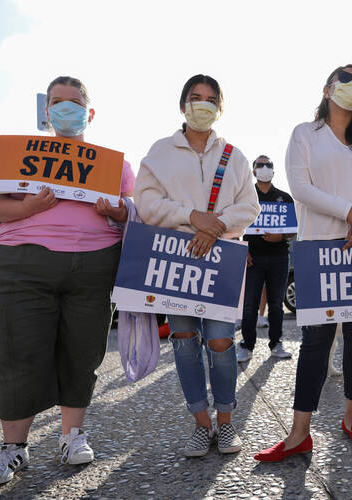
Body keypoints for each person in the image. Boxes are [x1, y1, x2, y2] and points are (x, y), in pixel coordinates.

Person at [0, 76, 133, 487]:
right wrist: (28, 207)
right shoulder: (17, 154)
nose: (67, 108)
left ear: (90, 112)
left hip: (94, 262)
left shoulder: (113, 163)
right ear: (46, 112)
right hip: (21, 260)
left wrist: (117, 212)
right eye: (57, 102)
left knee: (83, 351)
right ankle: (14, 447)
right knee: (16, 350)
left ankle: (72, 436)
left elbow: (135, 210)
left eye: (75, 102)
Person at [254, 64, 352, 462]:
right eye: (345, 79)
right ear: (327, 88)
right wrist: (350, 212)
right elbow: (300, 186)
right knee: (316, 340)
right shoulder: (306, 133)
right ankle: (300, 432)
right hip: (320, 247)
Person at [135, 74, 260, 457]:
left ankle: (226, 422)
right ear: (182, 104)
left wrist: (214, 225)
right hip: (175, 261)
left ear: (219, 107)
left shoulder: (235, 156)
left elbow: (249, 207)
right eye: (195, 97)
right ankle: (200, 424)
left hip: (219, 261)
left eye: (210, 99)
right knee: (185, 342)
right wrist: (192, 217)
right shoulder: (159, 152)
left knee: (221, 341)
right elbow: (147, 202)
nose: (202, 104)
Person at [236, 155, 294, 362]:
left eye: (268, 164)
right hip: (253, 258)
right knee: (250, 305)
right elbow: (235, 226)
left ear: (273, 170)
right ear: (253, 171)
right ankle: (246, 345)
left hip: (279, 257)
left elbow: (293, 230)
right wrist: (244, 251)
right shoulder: (245, 197)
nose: (264, 168)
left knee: (276, 304)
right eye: (260, 165)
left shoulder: (284, 197)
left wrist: (281, 235)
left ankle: (276, 343)